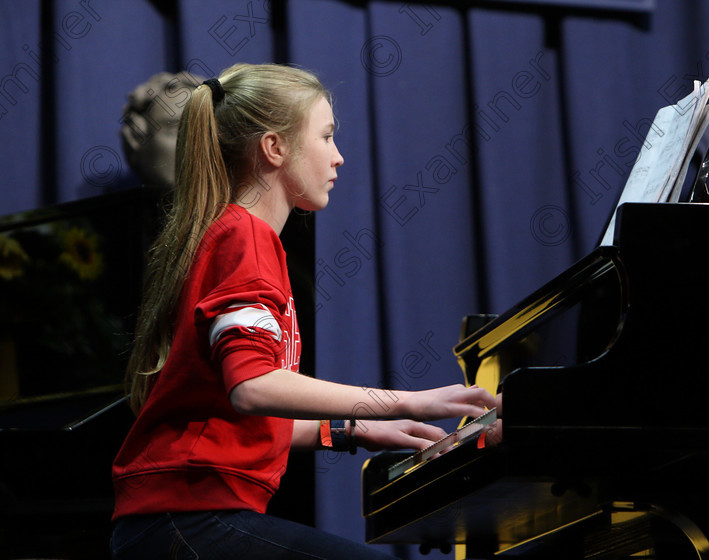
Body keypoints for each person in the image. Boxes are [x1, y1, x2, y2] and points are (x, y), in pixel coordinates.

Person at [110, 62, 498, 559]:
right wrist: (409, 401)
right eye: (327, 136)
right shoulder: (243, 236)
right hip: (185, 520)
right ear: (274, 148)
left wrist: (355, 430)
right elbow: (252, 387)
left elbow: (231, 407)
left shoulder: (238, 234)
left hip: (175, 520)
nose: (338, 157)